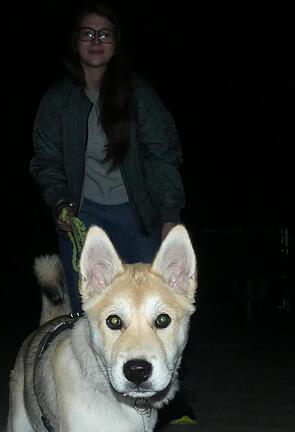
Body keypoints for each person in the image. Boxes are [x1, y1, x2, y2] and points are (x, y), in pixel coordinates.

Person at [28, 1, 196, 425]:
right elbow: (45, 159)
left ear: (116, 43)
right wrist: (60, 202)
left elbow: (163, 154)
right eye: (88, 33)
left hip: (137, 215)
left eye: (105, 33)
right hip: (84, 219)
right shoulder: (57, 100)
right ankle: (81, 406)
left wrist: (169, 213)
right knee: (89, 318)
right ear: (75, 41)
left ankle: (174, 403)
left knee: (158, 312)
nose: (96, 40)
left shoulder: (140, 93)